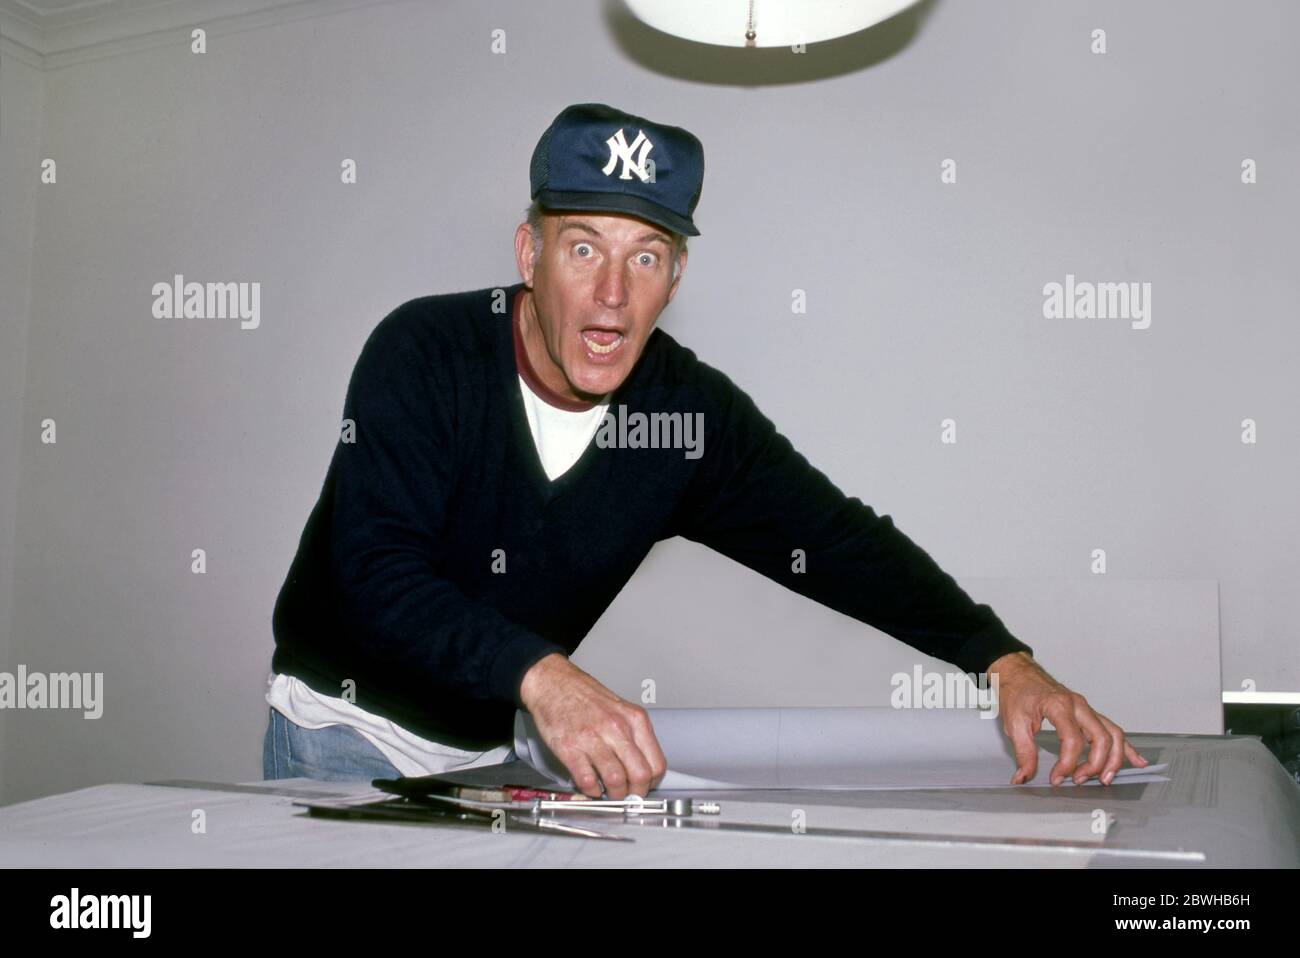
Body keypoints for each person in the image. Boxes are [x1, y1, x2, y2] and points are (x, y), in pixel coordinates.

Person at [263, 102, 1148, 796]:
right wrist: (543, 673)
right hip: (343, 733)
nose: (612, 294)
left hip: (499, 749)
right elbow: (376, 574)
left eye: (647, 257)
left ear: (676, 278)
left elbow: (835, 540)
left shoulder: (686, 417)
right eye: (584, 247)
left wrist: (1002, 660)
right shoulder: (423, 352)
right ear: (530, 253)